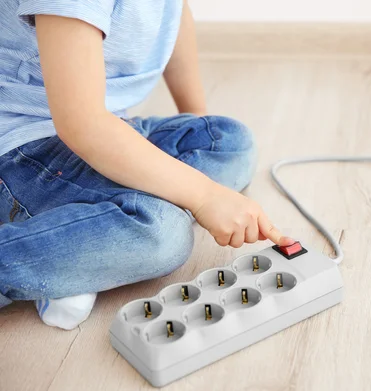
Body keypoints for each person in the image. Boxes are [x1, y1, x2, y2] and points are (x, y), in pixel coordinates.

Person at [0, 0, 293, 330]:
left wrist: (197, 120)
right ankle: (73, 258)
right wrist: (204, 196)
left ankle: (86, 247)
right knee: (162, 234)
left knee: (227, 141)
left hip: (108, 127)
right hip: (24, 153)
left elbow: (174, 15)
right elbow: (81, 124)